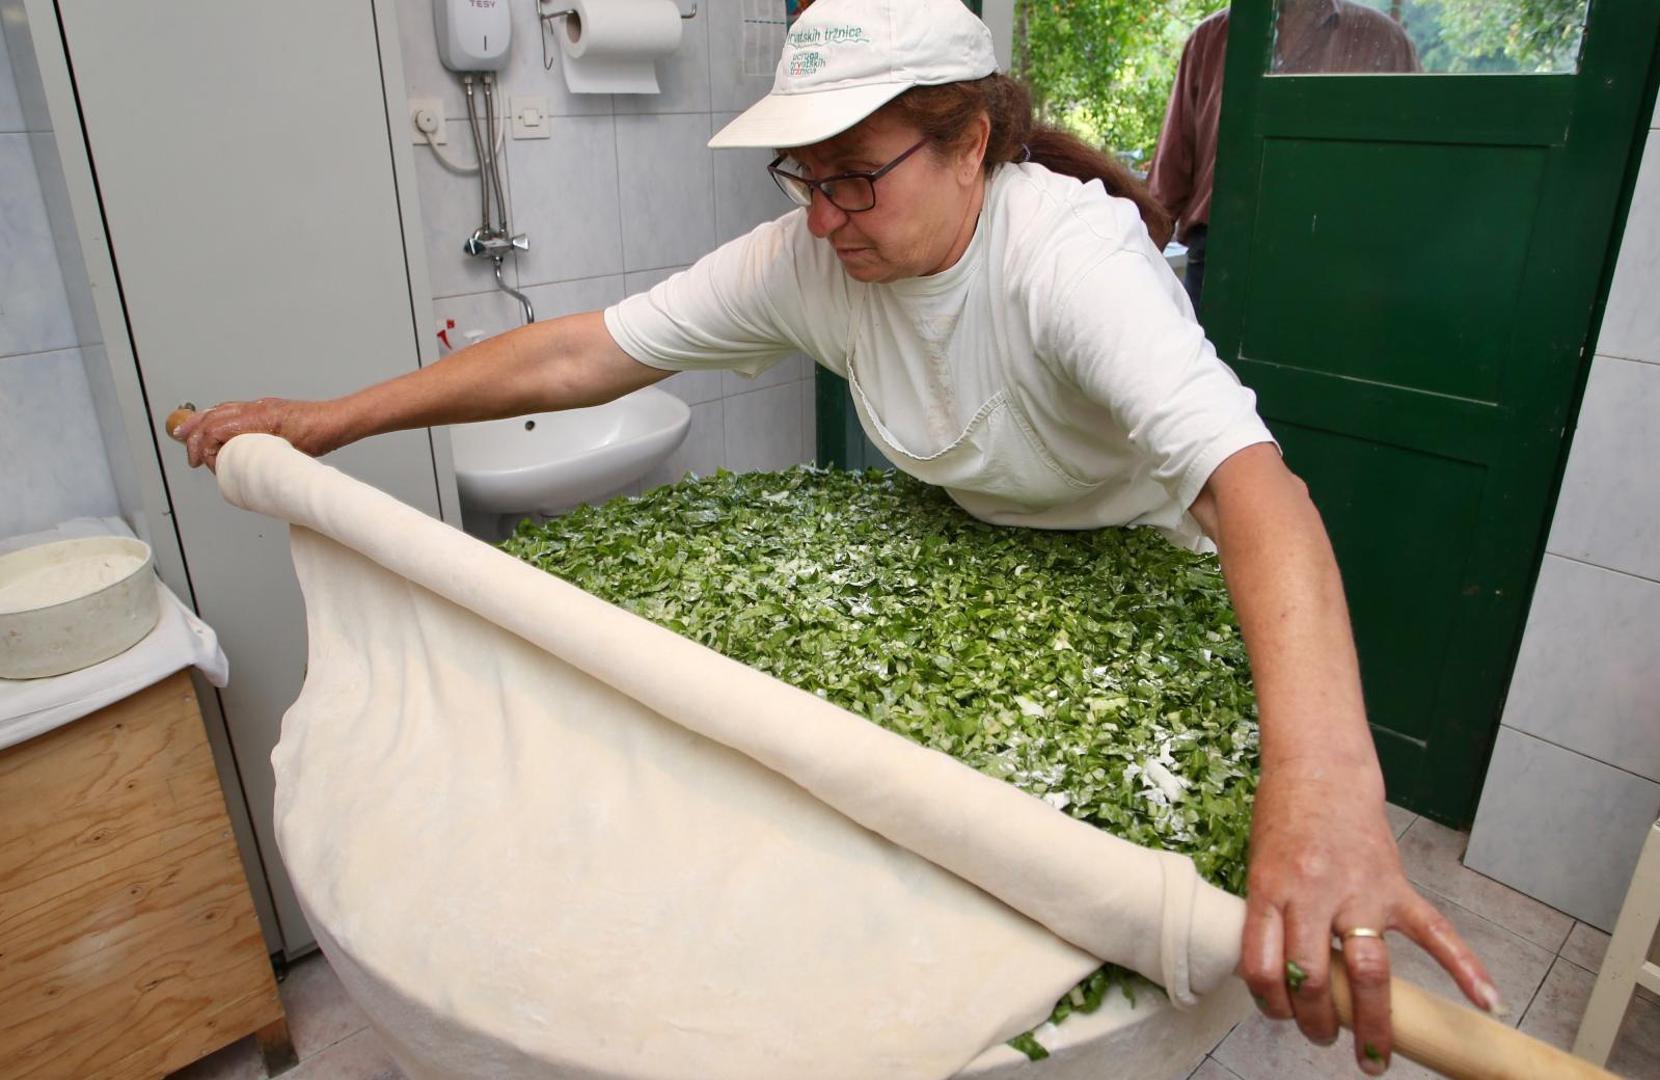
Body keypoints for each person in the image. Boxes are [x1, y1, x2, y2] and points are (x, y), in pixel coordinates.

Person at [177, 0, 1493, 1072]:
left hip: (1132, 571)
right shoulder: (821, 259)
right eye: (804, 177)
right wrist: (330, 419)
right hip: (958, 544)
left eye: (856, 177)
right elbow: (583, 352)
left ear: (971, 139)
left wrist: (1325, 784)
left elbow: (1262, 494)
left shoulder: (1067, 264)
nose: (820, 218)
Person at [1150, 0, 1419, 311]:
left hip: (1339, 263)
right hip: (1222, 261)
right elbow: (1168, 181)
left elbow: (1410, 173)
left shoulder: (1381, 40)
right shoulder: (1211, 38)